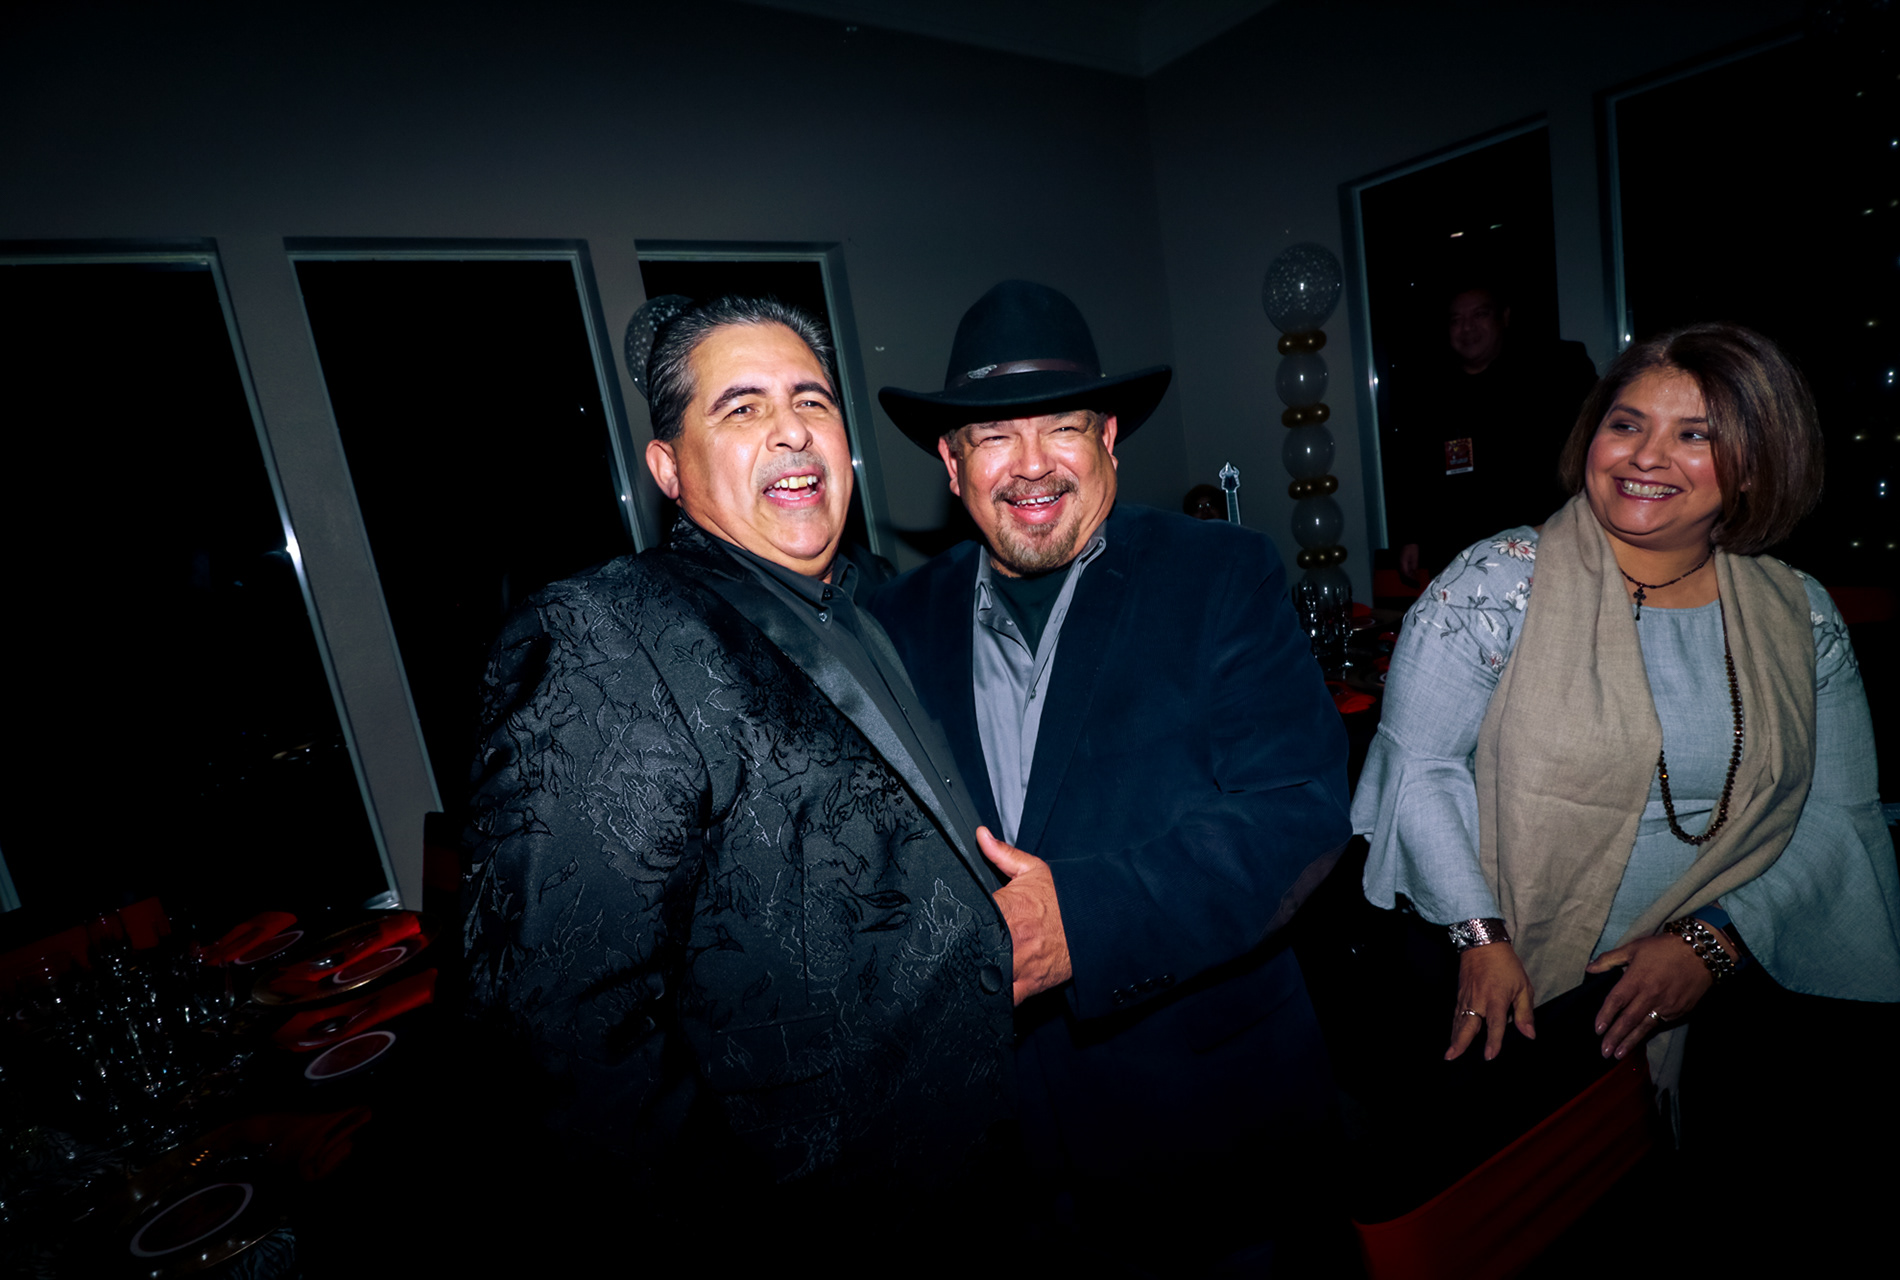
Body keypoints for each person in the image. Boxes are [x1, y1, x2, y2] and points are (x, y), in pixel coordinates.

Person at [463, 296, 1015, 1241]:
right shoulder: (609, 634)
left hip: (976, 1170)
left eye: (812, 401)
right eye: (742, 407)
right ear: (668, 470)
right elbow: (566, 1046)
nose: (792, 430)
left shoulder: (876, 596)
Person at [867, 280, 1352, 1270]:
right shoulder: (893, 627)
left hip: (1211, 1133)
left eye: (1063, 428)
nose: (1032, 465)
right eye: (994, 437)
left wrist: (1080, 923)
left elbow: (1295, 815)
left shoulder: (1222, 575)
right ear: (951, 463)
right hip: (1002, 1155)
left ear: (1110, 439)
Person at [1352, 323, 1900, 1172]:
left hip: (1725, 998)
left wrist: (1714, 943)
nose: (1645, 456)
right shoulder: (1498, 583)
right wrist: (1481, 939)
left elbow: (1839, 816)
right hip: (1504, 980)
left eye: (1695, 435)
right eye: (1626, 423)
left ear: (1754, 465)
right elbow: (1419, 767)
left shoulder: (1801, 615)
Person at [1382, 283, 1597, 577]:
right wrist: (1411, 536)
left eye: (1479, 315)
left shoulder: (1551, 373)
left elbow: (1589, 445)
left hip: (1538, 544)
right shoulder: (1428, 390)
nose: (1467, 328)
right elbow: (1411, 467)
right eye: (1456, 320)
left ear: (1504, 317)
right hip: (1457, 550)